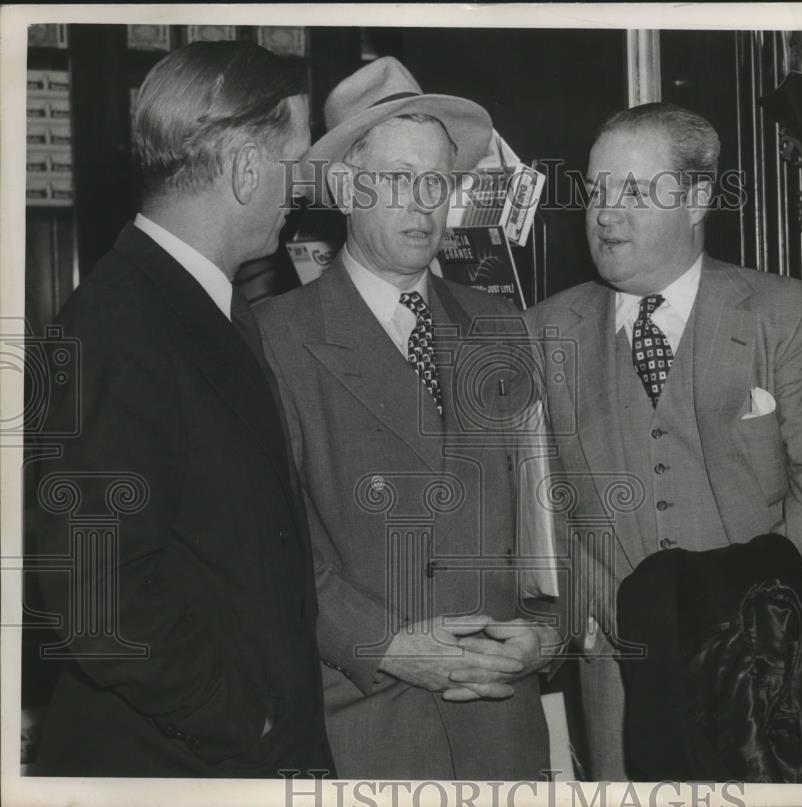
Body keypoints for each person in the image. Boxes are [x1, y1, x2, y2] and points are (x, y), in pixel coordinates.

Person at [27, 41, 332, 777]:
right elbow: (98, 597)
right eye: (296, 162)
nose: (303, 189)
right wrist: (248, 719)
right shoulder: (119, 324)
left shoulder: (201, 304)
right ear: (246, 167)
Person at [257, 56, 562, 780]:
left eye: (436, 181)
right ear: (343, 187)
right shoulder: (275, 336)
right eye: (397, 178)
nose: (422, 203)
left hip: (501, 728)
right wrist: (388, 646)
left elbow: (551, 514)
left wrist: (548, 635)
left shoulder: (503, 327)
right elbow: (273, 545)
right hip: (363, 726)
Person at [526, 102, 802, 780]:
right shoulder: (544, 331)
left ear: (697, 198)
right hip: (623, 679)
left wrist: (747, 627)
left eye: (635, 191)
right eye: (596, 191)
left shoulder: (791, 316)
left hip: (780, 668)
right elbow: (548, 506)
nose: (605, 214)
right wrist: (597, 620)